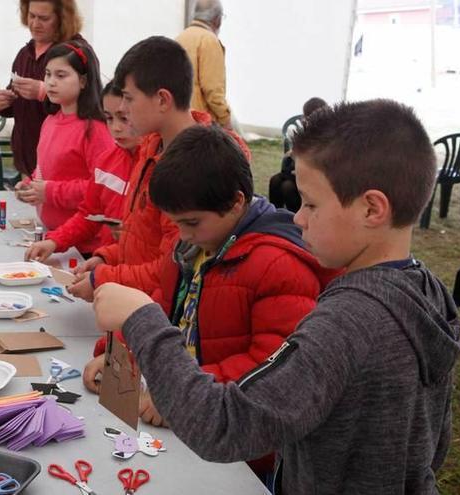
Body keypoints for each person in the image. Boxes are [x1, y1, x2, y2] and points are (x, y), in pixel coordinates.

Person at [92, 99, 460, 494]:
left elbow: (223, 427)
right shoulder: (427, 293)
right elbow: (433, 443)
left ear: (371, 208)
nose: (298, 217)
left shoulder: (348, 323)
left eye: (311, 204)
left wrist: (142, 319)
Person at [86, 124, 338, 480]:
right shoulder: (191, 248)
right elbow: (163, 309)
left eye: (191, 223)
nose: (183, 235)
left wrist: (180, 395)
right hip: (182, 428)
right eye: (176, 224)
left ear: (236, 202)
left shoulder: (278, 267)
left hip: (241, 458)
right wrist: (118, 353)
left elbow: (269, 369)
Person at [66, 36, 250, 304]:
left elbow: (171, 269)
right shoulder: (151, 147)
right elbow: (144, 239)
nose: (123, 109)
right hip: (135, 304)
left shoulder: (195, 170)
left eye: (129, 99)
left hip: (158, 314)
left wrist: (104, 278)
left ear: (163, 99)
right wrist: (107, 257)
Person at [13, 40, 115, 255]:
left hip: (85, 247)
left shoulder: (94, 129)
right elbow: (45, 170)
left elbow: (101, 189)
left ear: (84, 80)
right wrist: (30, 185)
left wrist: (49, 192)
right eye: (48, 74)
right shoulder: (51, 121)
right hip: (53, 238)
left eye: (61, 75)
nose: (50, 82)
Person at [24, 81, 140, 262]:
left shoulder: (155, 167)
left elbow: (152, 244)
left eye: (124, 118)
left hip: (126, 271)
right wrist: (54, 241)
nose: (116, 128)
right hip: (108, 263)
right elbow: (90, 213)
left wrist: (104, 262)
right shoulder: (108, 160)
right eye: (109, 118)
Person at [0, 0, 87, 177]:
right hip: (28, 162)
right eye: (31, 15)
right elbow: (16, 100)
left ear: (62, 19)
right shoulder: (24, 53)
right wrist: (0, 103)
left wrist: (44, 92)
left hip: (63, 165)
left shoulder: (77, 52)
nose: (35, 24)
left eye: (44, 18)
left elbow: (89, 101)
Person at [175, 0, 232, 128]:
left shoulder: (180, 38)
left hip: (179, 119)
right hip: (201, 125)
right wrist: (226, 120)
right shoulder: (209, 41)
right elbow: (212, 91)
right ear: (217, 19)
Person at [269, 97, 329, 212]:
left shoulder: (327, 135)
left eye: (306, 116)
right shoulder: (307, 131)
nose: (304, 119)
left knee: (288, 187)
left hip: (316, 177)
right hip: (299, 171)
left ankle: (295, 219)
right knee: (275, 180)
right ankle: (275, 213)